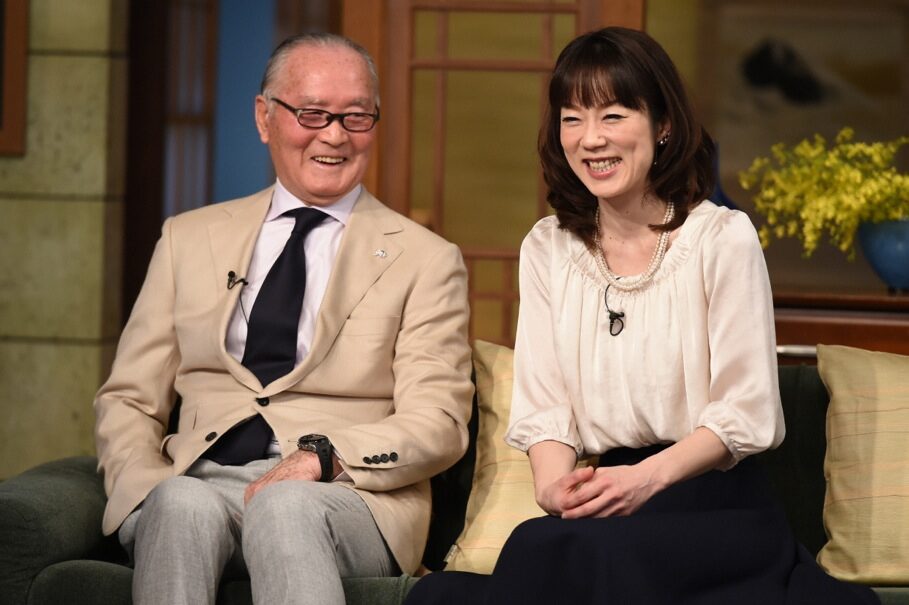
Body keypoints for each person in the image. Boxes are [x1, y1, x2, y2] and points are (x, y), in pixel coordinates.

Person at [405, 27, 878, 605]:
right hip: (609, 496)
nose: (591, 138)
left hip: (714, 501)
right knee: (501, 563)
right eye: (572, 118)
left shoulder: (721, 239)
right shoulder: (548, 248)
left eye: (613, 115)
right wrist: (556, 488)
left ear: (663, 125)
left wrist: (644, 481)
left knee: (588, 558)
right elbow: (546, 406)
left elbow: (747, 411)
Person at [94, 33, 473, 605]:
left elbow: (438, 421)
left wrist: (325, 457)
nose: (335, 135)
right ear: (264, 117)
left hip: (348, 493)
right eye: (313, 114)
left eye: (356, 117)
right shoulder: (188, 239)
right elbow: (130, 397)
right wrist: (139, 484)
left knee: (284, 504)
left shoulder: (426, 259)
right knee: (177, 502)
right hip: (201, 479)